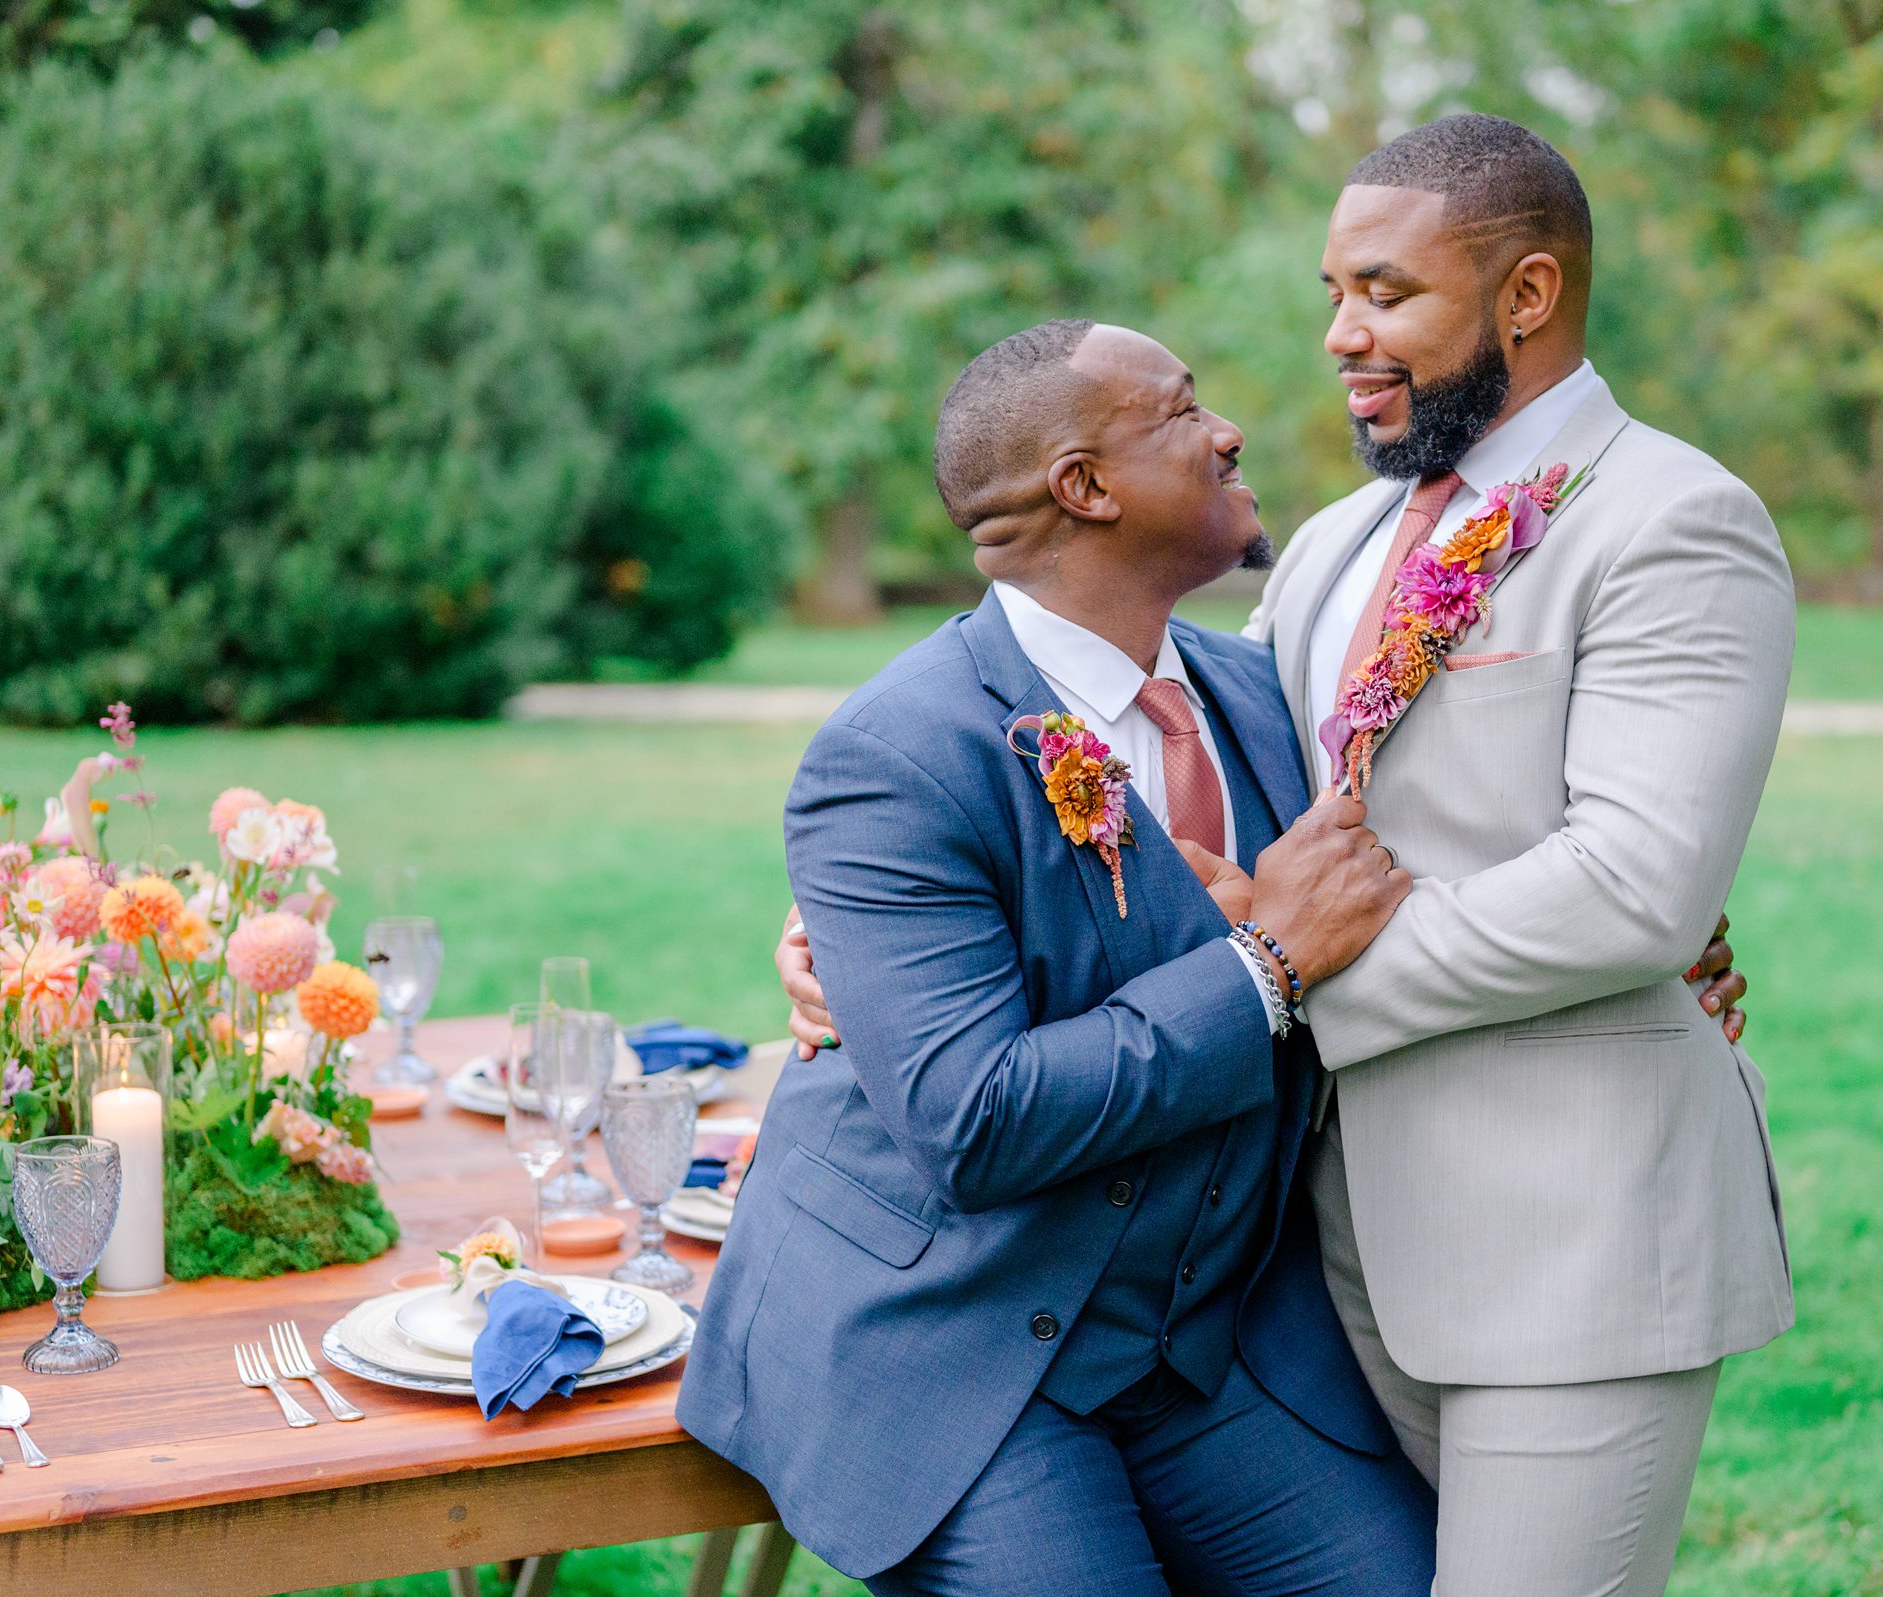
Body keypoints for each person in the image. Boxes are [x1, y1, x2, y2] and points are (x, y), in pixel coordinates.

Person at [774, 112, 1788, 1597]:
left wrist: (1286, 984)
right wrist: (868, 961)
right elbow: (1183, 785)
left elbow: (1637, 884)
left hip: (1575, 1239)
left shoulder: (1673, 518)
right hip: (1327, 1255)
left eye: (1385, 294)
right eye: (1334, 293)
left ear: (1527, 295)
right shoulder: (1331, 550)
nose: (1339, 336)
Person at [678, 319, 1440, 1596]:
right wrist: (1264, 966)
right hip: (960, 1345)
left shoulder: (1262, 695)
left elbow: (1414, 872)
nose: (1229, 430)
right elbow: (970, 1119)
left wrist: (1651, 943)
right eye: (1182, 409)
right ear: (1084, 488)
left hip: (1213, 1343)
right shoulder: (898, 755)